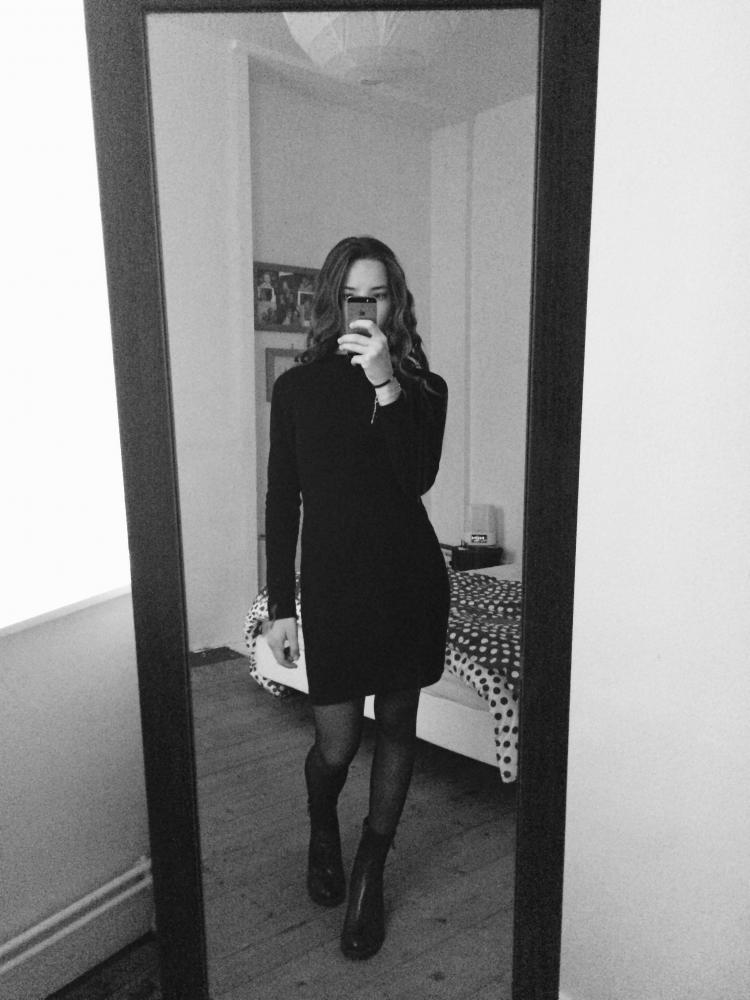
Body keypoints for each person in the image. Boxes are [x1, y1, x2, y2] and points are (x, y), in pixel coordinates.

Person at [264, 235, 449, 960]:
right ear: (331, 302)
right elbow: (283, 500)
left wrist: (386, 385)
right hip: (334, 590)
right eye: (351, 297)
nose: (364, 309)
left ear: (395, 302)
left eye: (377, 296)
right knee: (337, 745)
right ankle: (324, 826)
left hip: (408, 583)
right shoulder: (297, 390)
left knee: (398, 724)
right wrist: (281, 606)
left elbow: (415, 479)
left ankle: (372, 867)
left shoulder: (423, 389)